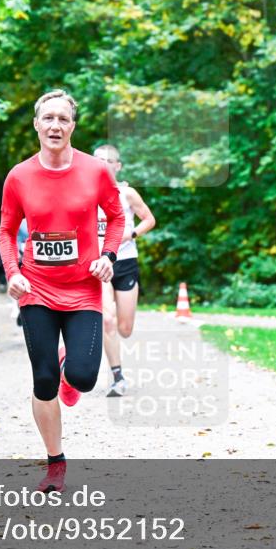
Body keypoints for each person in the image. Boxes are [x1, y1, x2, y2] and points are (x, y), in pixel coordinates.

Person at [0, 89, 124, 493]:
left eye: (63, 119)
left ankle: (74, 374)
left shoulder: (95, 171)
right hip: (36, 288)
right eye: (48, 118)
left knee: (84, 378)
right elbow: (4, 231)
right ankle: (55, 464)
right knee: (44, 378)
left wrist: (109, 256)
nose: (55, 125)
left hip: (84, 288)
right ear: (36, 124)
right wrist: (13, 272)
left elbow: (117, 217)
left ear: (73, 126)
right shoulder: (18, 176)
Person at [94, 145, 156, 396]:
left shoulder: (127, 193)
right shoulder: (86, 193)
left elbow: (149, 220)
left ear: (117, 166)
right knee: (107, 319)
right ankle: (117, 377)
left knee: (125, 328)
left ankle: (115, 356)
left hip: (126, 261)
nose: (104, 164)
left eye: (109, 161)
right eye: (98, 160)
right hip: (100, 263)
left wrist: (130, 234)